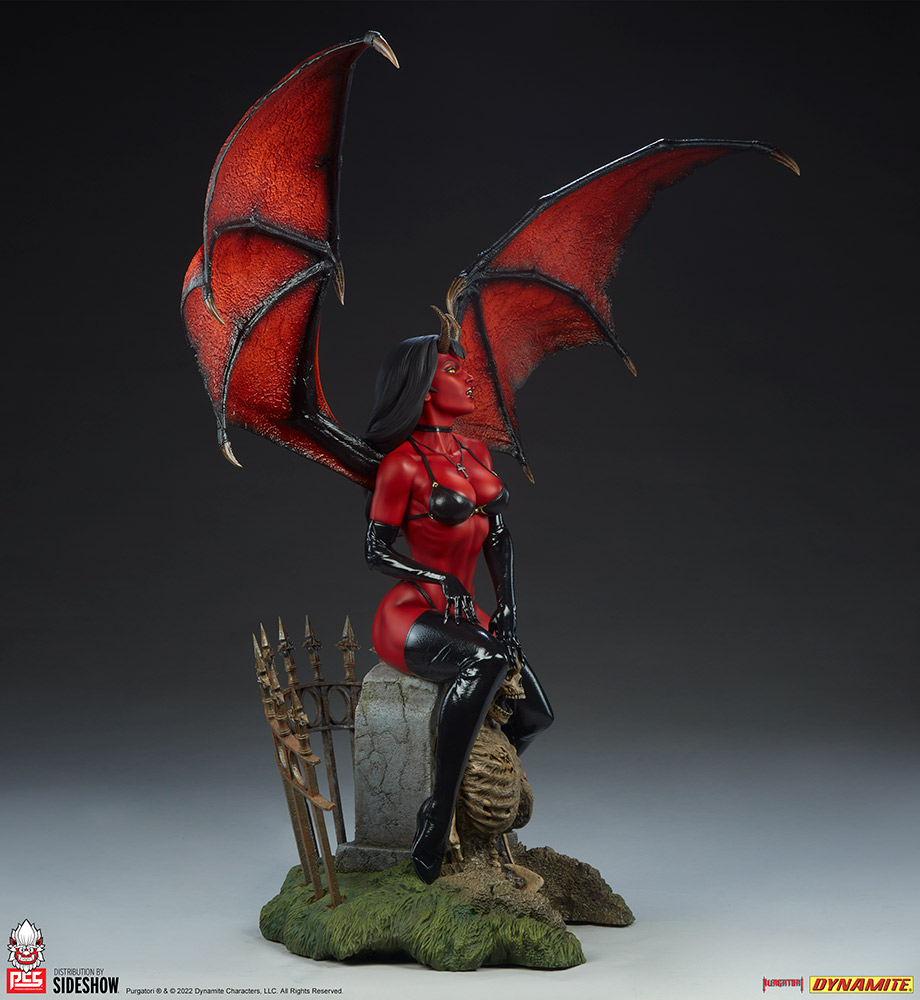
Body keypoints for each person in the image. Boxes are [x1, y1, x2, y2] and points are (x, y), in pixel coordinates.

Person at [363, 330, 553, 883]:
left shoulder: (476, 453)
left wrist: (508, 604)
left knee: (536, 713)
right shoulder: (401, 464)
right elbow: (374, 550)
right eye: (453, 370)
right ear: (423, 388)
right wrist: (438, 577)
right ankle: (438, 810)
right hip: (410, 614)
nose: (470, 377)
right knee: (486, 661)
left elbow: (498, 534)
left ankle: (475, 786)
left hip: (467, 612)